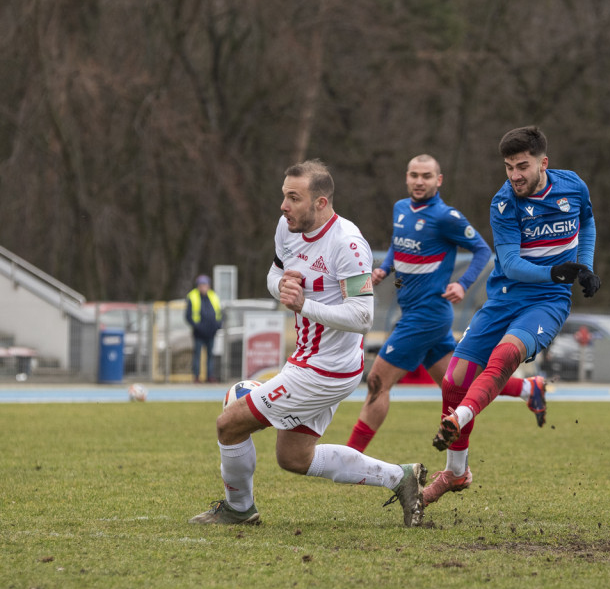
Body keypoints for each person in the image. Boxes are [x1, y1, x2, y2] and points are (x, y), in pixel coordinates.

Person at [189, 159, 427, 528]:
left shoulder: (348, 244)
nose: (283, 206)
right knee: (294, 458)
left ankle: (239, 509)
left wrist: (305, 304)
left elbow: (363, 317)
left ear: (320, 203)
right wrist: (281, 288)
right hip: (306, 361)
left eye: (293, 197)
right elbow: (275, 274)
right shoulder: (288, 228)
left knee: (229, 421)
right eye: (284, 195)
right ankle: (400, 477)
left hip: (327, 369)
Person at [425, 126, 601, 506]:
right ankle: (457, 472)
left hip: (548, 300)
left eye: (522, 166)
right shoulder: (503, 204)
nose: (515, 175)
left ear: (543, 163)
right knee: (453, 380)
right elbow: (511, 264)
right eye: (509, 167)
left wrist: (584, 265)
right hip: (506, 297)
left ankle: (460, 419)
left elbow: (586, 222)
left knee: (505, 356)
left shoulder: (573, 187)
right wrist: (557, 269)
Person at [346, 154, 547, 454]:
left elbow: (482, 250)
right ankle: (529, 389)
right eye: (414, 175)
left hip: (427, 315)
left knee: (377, 381)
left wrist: (462, 284)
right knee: (460, 382)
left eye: (426, 176)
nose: (419, 181)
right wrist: (384, 269)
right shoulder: (401, 209)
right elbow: (397, 244)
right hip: (416, 313)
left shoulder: (445, 217)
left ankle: (350, 456)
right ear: (406, 177)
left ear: (438, 180)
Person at [185, 274, 222, 383]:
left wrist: (217, 326)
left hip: (211, 332)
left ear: (209, 286)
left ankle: (209, 376)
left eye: (205, 285)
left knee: (210, 356)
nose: (203, 287)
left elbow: (219, 313)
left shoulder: (214, 296)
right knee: (197, 356)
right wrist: (198, 327)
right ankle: (196, 377)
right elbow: (188, 316)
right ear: (198, 286)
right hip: (199, 333)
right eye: (201, 285)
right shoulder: (192, 296)